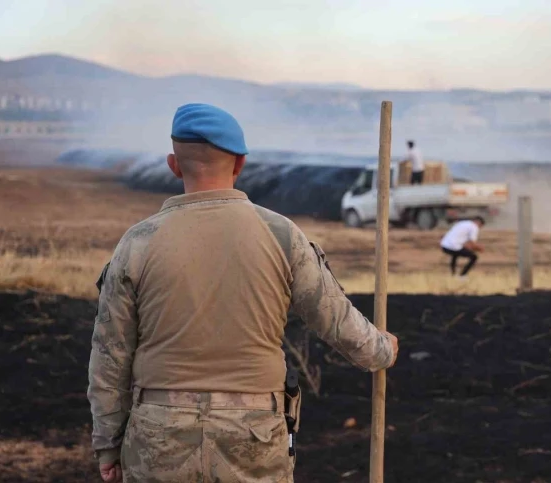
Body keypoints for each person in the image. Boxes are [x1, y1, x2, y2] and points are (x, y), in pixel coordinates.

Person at [87, 103, 399, 483]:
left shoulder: (137, 243)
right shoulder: (282, 237)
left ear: (173, 164)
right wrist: (381, 348)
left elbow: (109, 357)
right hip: (253, 435)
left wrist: (108, 445)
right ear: (240, 164)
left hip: (158, 437)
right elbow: (338, 323)